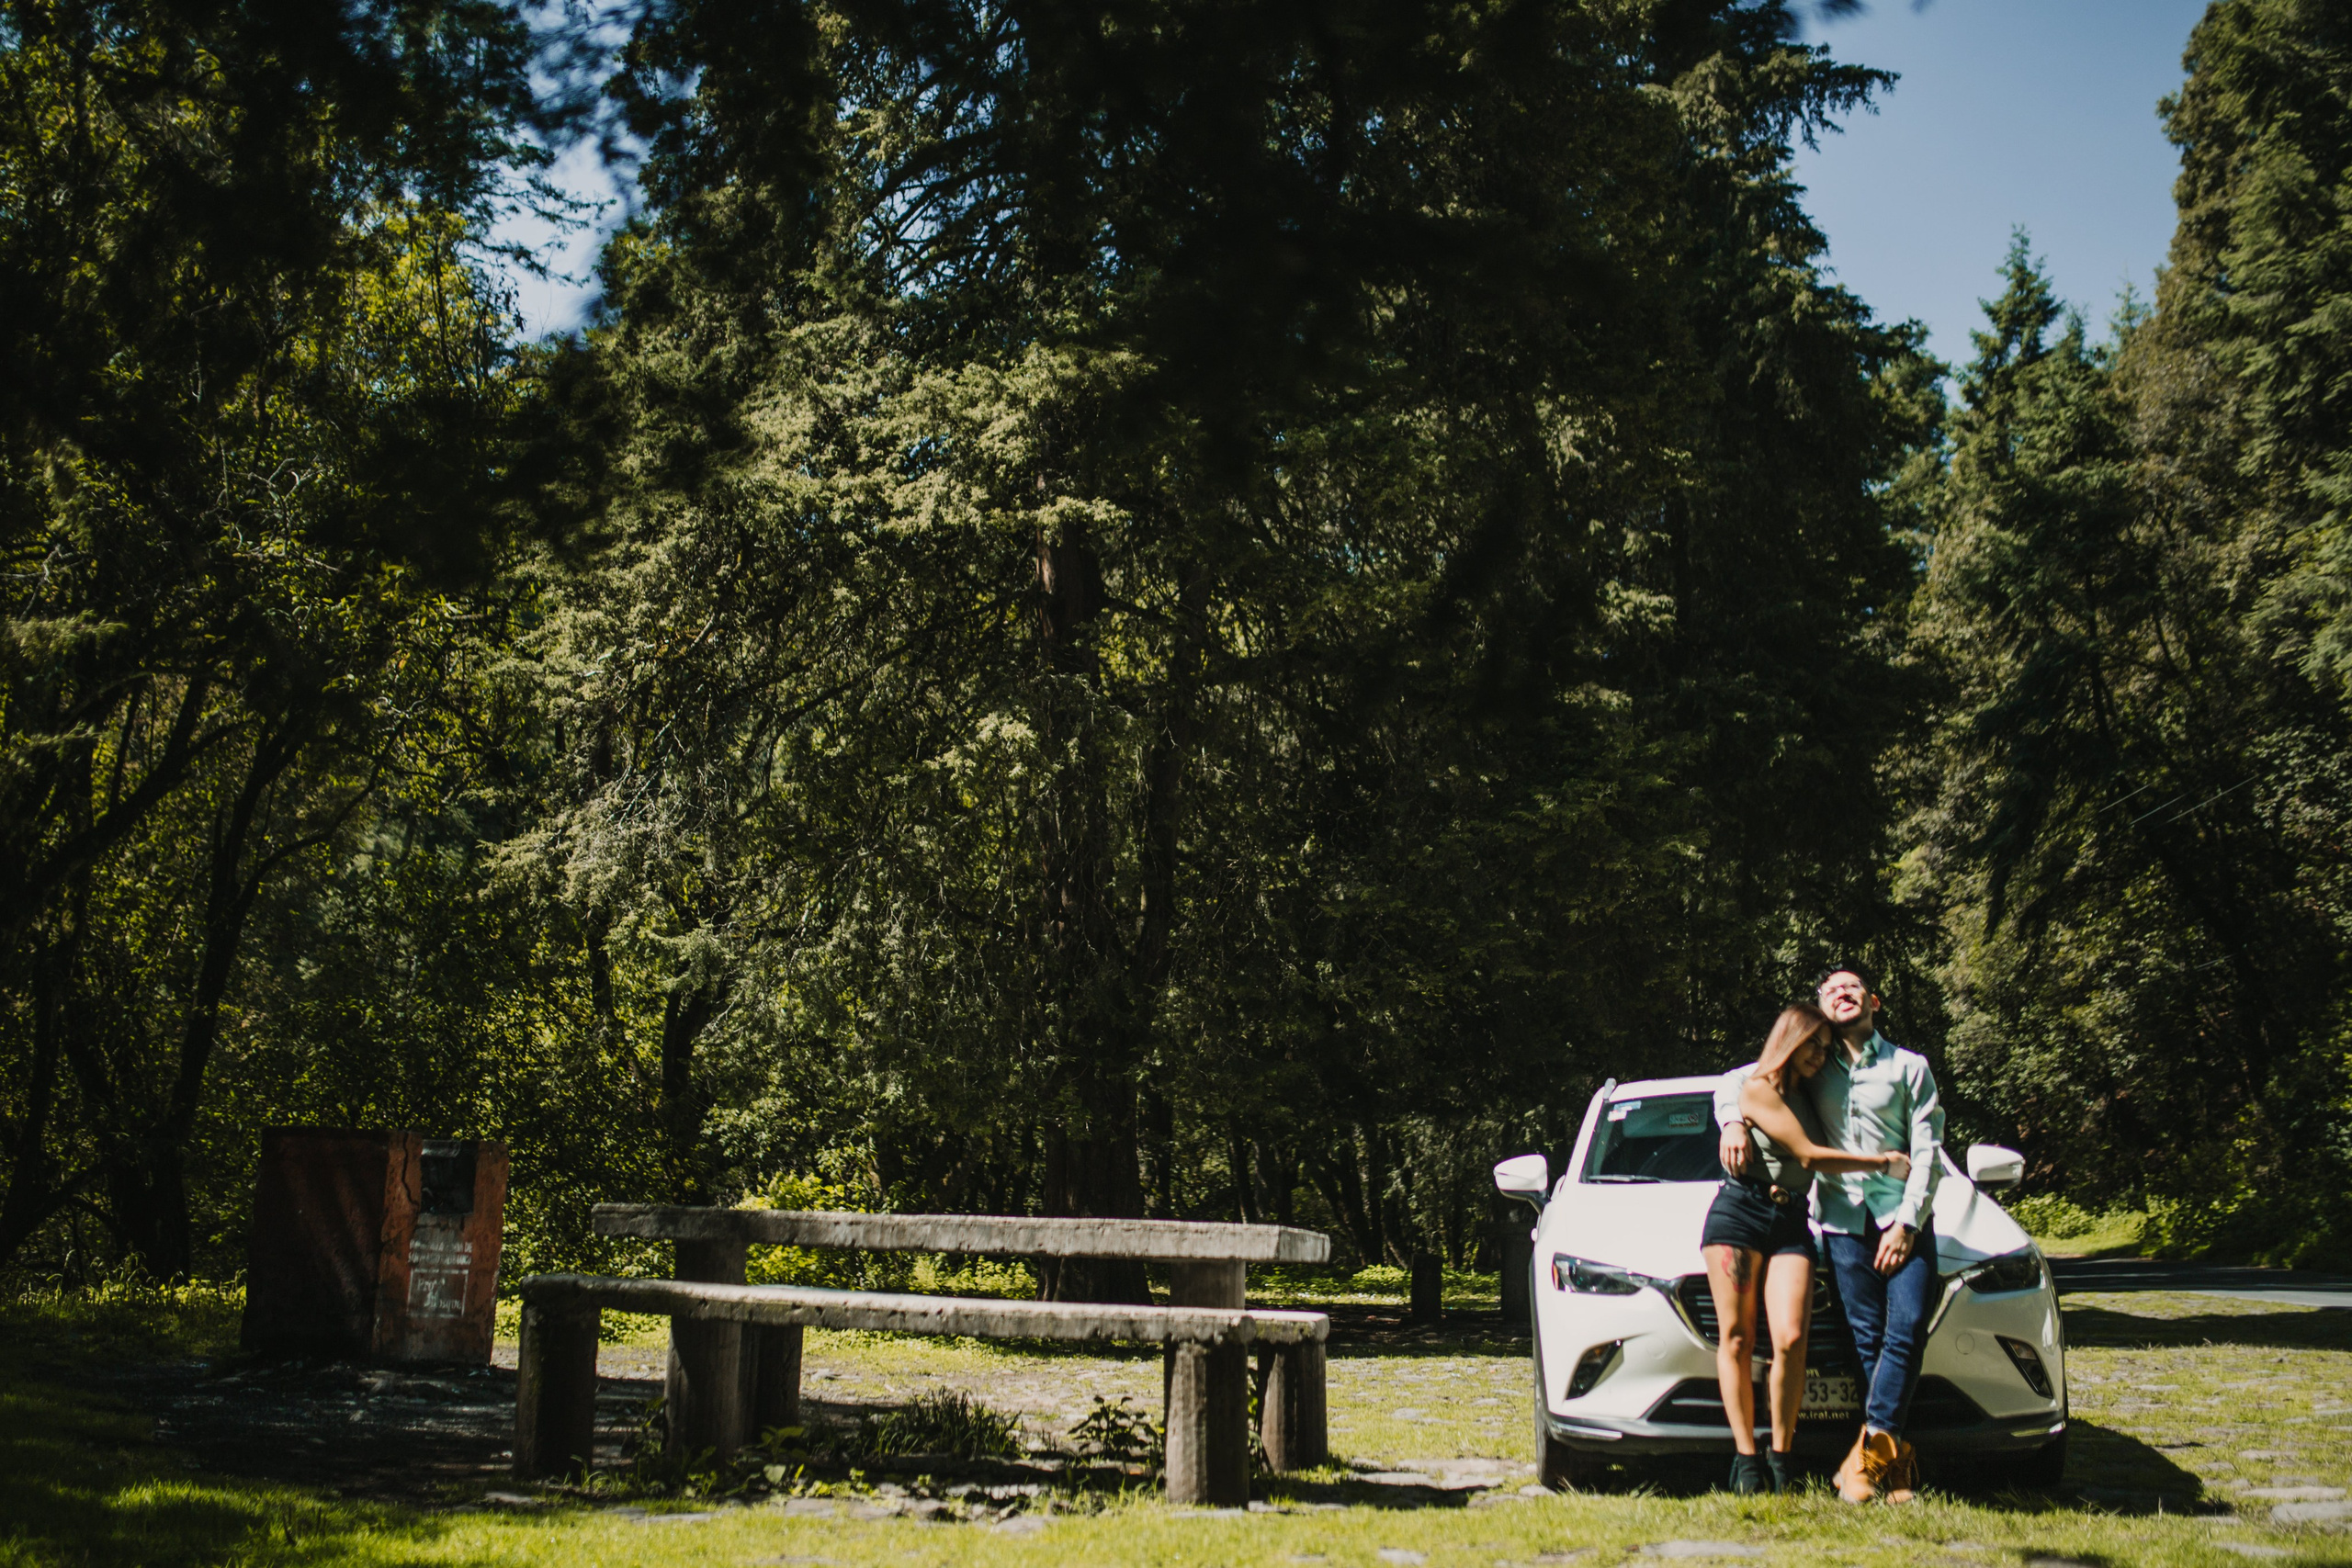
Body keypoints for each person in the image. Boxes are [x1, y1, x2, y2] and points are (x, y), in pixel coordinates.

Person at [1716, 961, 1944, 1504]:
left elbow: (1928, 1151)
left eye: (1853, 985)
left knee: (1909, 1327)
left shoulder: (1910, 1067)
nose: (1843, 992)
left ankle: (1862, 1458)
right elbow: (1739, 1081)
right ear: (1819, 1009)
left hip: (1901, 1217)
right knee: (1868, 1342)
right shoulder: (1813, 1066)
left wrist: (1907, 1224)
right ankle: (1890, 1465)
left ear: (1873, 1002)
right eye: (1831, 989)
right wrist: (1731, 1120)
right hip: (1841, 1220)